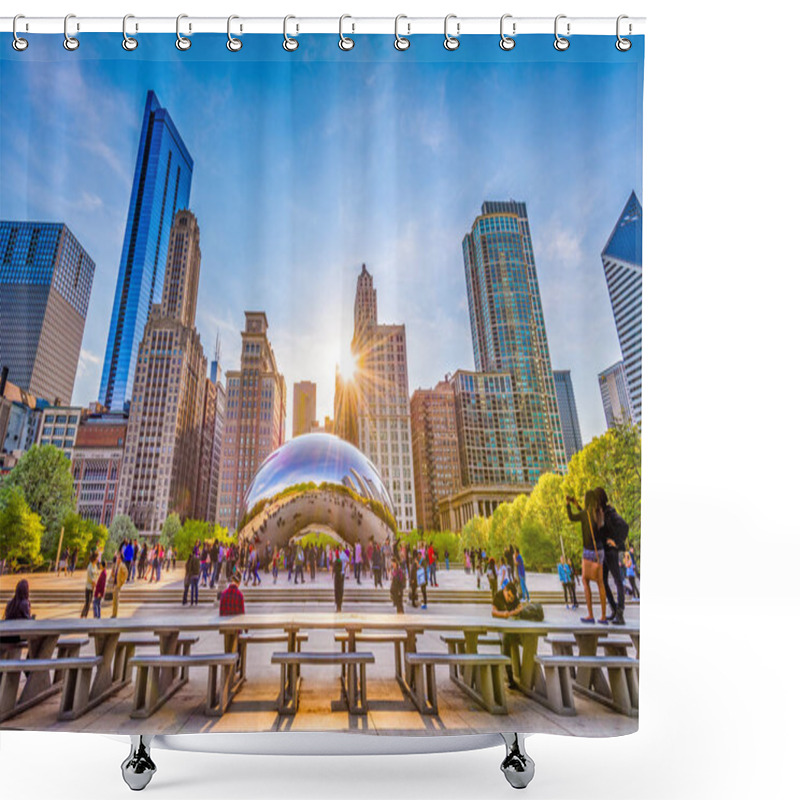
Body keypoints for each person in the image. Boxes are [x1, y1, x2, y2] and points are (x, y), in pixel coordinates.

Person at [566, 491, 608, 624]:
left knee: (585, 580)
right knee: (600, 583)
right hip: (600, 551)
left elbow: (572, 517)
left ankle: (590, 614)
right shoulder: (600, 513)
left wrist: (568, 505)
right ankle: (603, 616)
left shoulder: (585, 514)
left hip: (589, 551)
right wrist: (577, 505)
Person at [595, 486, 629, 625]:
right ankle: (614, 608)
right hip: (604, 553)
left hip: (612, 552)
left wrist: (616, 542)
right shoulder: (599, 514)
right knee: (602, 581)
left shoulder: (610, 513)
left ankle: (620, 612)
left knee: (617, 580)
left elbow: (624, 526)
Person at [491, 579, 523, 690]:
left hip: (514, 628)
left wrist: (515, 612)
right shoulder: (498, 595)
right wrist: (503, 614)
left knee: (527, 640)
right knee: (506, 640)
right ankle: (510, 677)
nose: (510, 599)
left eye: (512, 597)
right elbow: (493, 612)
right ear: (505, 590)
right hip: (502, 628)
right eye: (509, 596)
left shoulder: (514, 597)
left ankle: (524, 674)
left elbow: (520, 607)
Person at [80, 551, 100, 618]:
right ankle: (84, 615)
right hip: (88, 587)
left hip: (92, 587)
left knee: (89, 602)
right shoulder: (90, 566)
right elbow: (89, 577)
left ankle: (83, 615)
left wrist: (96, 581)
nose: (98, 559)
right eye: (97, 557)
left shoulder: (95, 566)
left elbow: (97, 574)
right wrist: (93, 581)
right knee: (88, 603)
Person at [111, 553, 128, 618]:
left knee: (116, 600)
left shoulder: (122, 565)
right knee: (114, 600)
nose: (117, 559)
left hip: (117, 585)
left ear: (120, 559)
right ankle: (113, 613)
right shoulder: (117, 565)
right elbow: (115, 575)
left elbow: (126, 574)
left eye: (118, 557)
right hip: (115, 584)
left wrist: (121, 582)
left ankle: (114, 614)